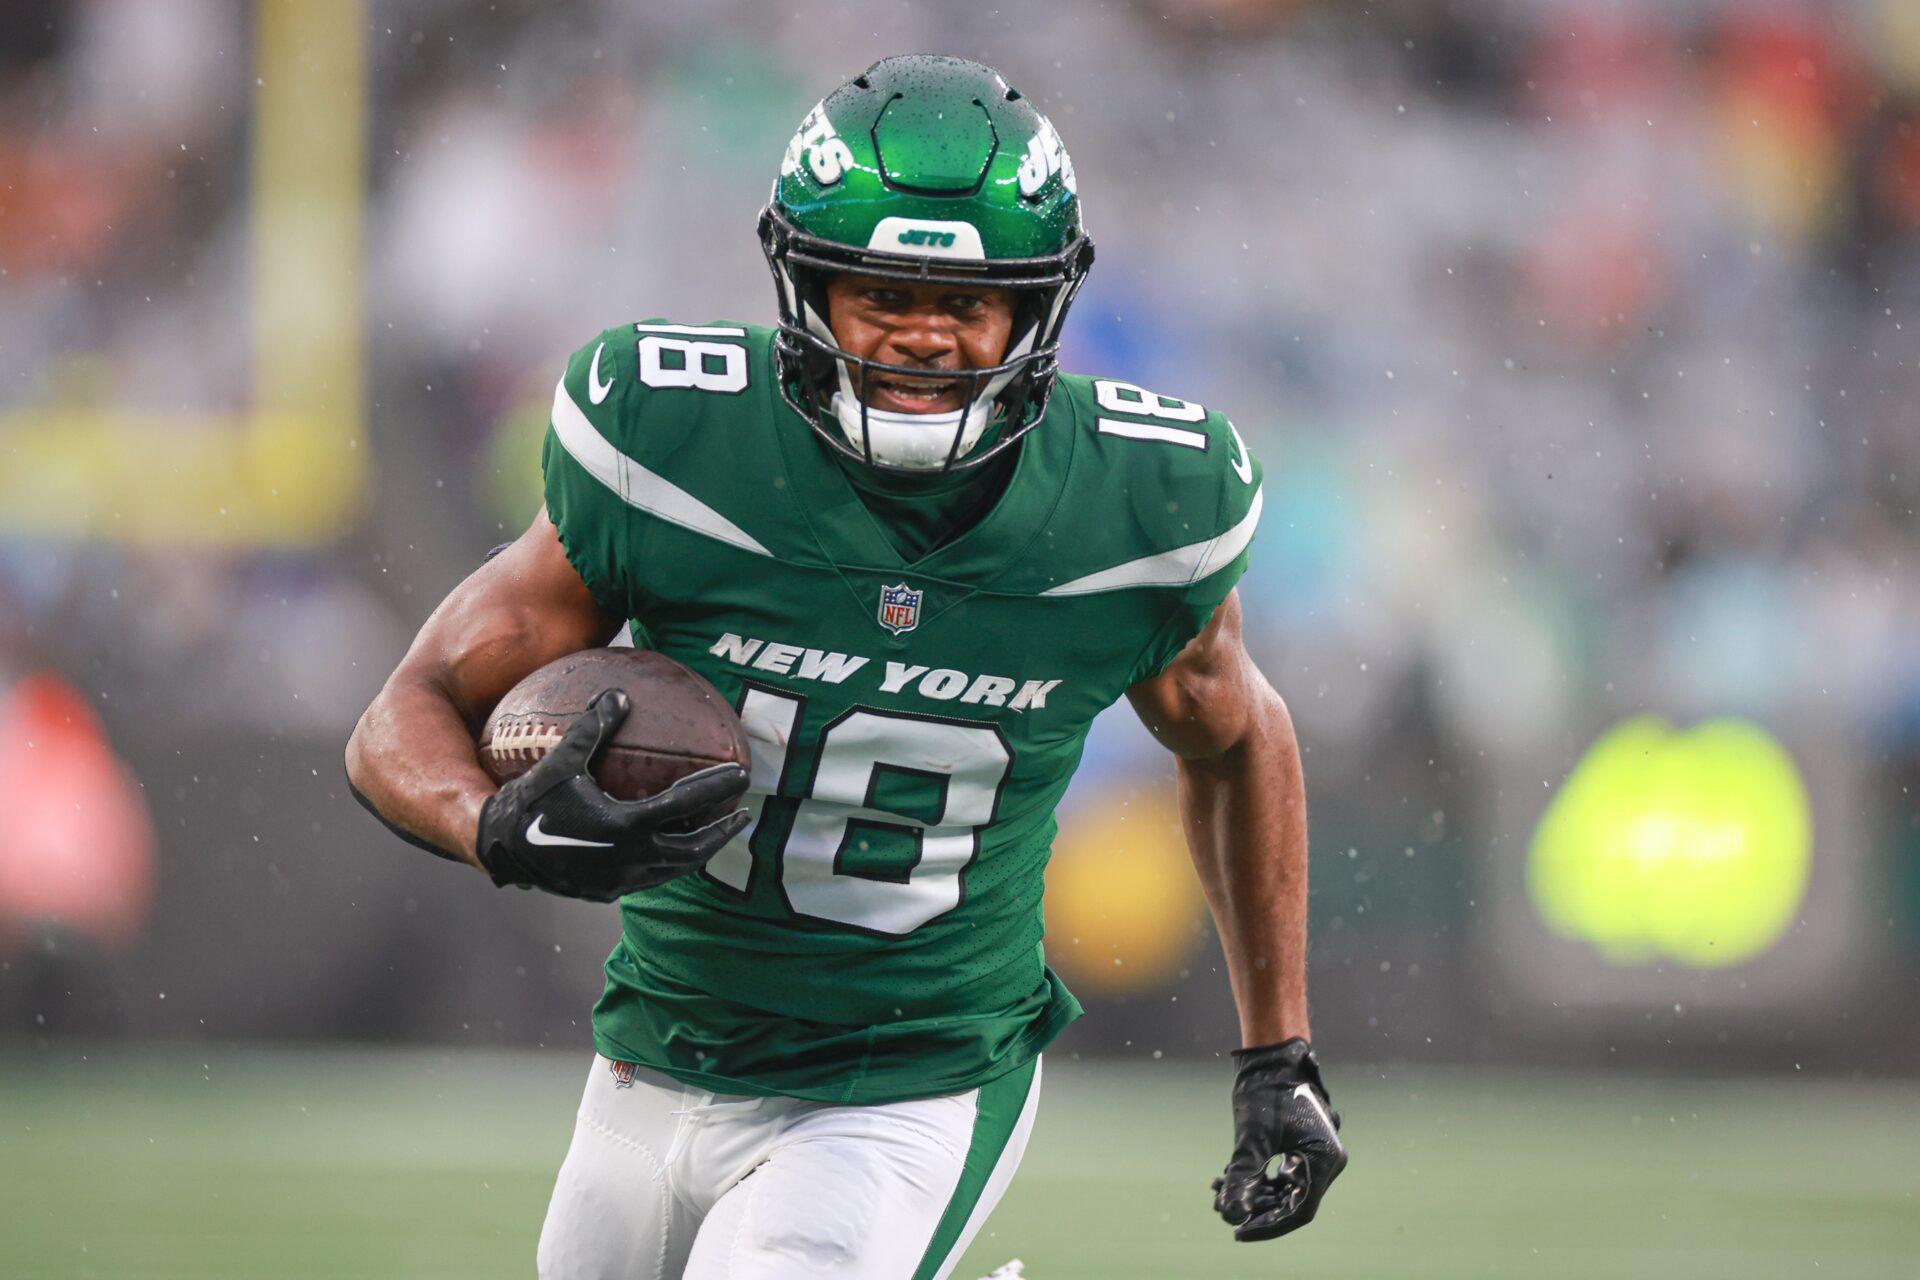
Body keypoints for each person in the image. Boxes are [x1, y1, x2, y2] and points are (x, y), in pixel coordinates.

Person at [345, 54, 1344, 1280]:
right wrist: (491, 823)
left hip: (911, 1081)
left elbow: (1238, 734)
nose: (923, 334)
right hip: (656, 1050)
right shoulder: (677, 447)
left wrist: (1277, 1051)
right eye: (880, 290)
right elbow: (401, 715)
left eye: (969, 300)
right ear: (804, 286)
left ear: (1039, 311)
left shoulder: (1139, 506)